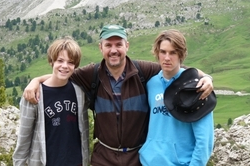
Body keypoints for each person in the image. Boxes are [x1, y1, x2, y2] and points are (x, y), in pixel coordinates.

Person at [23, 25, 214, 166]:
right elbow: (63, 73)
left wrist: (205, 77)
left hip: (136, 157)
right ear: (101, 48)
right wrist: (37, 80)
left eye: (118, 44)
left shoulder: (144, 71)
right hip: (103, 157)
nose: (114, 50)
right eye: (108, 45)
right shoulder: (92, 74)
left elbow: (177, 70)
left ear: (127, 46)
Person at [139, 29, 215, 166]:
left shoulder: (196, 86)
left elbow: (205, 141)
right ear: (157, 53)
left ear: (181, 54)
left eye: (173, 52)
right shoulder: (151, 84)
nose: (167, 58)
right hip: (149, 162)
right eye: (163, 52)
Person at [12, 36, 89, 166]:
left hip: (76, 162)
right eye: (60, 60)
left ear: (75, 65)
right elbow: (24, 137)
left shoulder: (79, 92)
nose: (65, 66)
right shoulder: (34, 95)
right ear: (51, 61)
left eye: (70, 62)